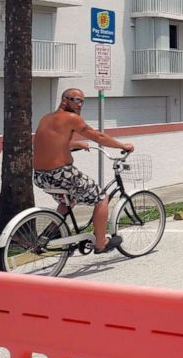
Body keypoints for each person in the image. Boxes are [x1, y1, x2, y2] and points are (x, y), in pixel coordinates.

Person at [32, 88, 134, 253]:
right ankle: (101, 243)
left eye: (82, 101)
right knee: (101, 198)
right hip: (61, 174)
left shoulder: (46, 118)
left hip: (40, 176)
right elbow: (98, 137)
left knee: (68, 201)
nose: (80, 104)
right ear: (64, 100)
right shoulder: (72, 118)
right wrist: (123, 146)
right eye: (76, 100)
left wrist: (75, 144)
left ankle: (50, 234)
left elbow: (51, 143)